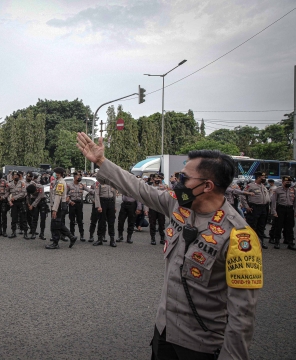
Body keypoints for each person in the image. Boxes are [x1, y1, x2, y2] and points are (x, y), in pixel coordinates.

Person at [77, 132, 262, 359]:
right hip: (164, 331)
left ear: (207, 186)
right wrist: (101, 162)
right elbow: (138, 188)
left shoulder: (240, 237)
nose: (177, 183)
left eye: (184, 179)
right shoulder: (178, 205)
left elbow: (242, 315)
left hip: (200, 346)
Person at [45, 167, 76, 249]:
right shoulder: (58, 182)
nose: (55, 174)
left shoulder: (61, 183)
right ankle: (71, 237)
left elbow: (58, 197)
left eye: (57, 173)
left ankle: (55, 243)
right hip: (59, 205)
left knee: (55, 224)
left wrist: (54, 210)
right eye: (55, 173)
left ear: (61, 174)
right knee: (58, 224)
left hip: (59, 206)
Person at [240, 171, 270, 249]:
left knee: (261, 226)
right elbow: (243, 196)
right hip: (254, 208)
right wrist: (246, 207)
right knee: (252, 225)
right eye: (263, 177)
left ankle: (260, 242)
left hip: (263, 208)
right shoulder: (250, 186)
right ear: (258, 178)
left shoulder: (263, 186)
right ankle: (250, 242)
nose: (264, 179)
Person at [270, 175, 296, 250]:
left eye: (289, 182)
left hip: (290, 209)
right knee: (279, 226)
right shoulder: (278, 190)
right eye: (287, 182)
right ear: (282, 182)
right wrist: (274, 212)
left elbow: (295, 202)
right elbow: (274, 202)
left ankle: (290, 243)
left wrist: (295, 211)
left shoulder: (293, 190)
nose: (288, 183)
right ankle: (277, 242)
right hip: (281, 209)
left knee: (290, 227)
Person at [146, 174, 167, 245]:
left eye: (159, 178)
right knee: (152, 223)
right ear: (153, 179)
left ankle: (162, 238)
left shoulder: (164, 187)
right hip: (153, 207)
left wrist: (163, 187)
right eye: (156, 178)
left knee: (162, 223)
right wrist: (146, 209)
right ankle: (153, 238)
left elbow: (166, 197)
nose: (157, 180)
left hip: (161, 208)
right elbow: (147, 199)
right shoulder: (150, 187)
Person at [66, 172, 86, 241]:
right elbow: (65, 195)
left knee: (80, 220)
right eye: (78, 176)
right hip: (72, 204)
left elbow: (89, 190)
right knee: (72, 220)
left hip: (79, 204)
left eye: (80, 176)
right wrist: (69, 202)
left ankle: (82, 235)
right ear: (74, 177)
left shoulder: (81, 185)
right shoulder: (69, 185)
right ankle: (72, 235)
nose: (80, 178)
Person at [26, 173, 46, 240]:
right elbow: (28, 196)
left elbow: (39, 197)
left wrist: (32, 205)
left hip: (42, 202)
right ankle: (33, 233)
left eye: (34, 192)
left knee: (43, 219)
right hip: (33, 201)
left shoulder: (40, 187)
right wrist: (28, 203)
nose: (33, 193)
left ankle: (42, 234)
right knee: (35, 218)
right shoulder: (29, 188)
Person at [8, 171, 28, 239]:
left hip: (21, 202)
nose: (16, 177)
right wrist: (9, 201)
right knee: (14, 218)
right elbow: (7, 194)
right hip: (14, 203)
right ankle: (13, 232)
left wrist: (14, 198)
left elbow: (23, 193)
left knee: (23, 218)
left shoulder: (22, 183)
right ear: (12, 176)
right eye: (15, 175)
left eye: (17, 176)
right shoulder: (10, 184)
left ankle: (25, 233)